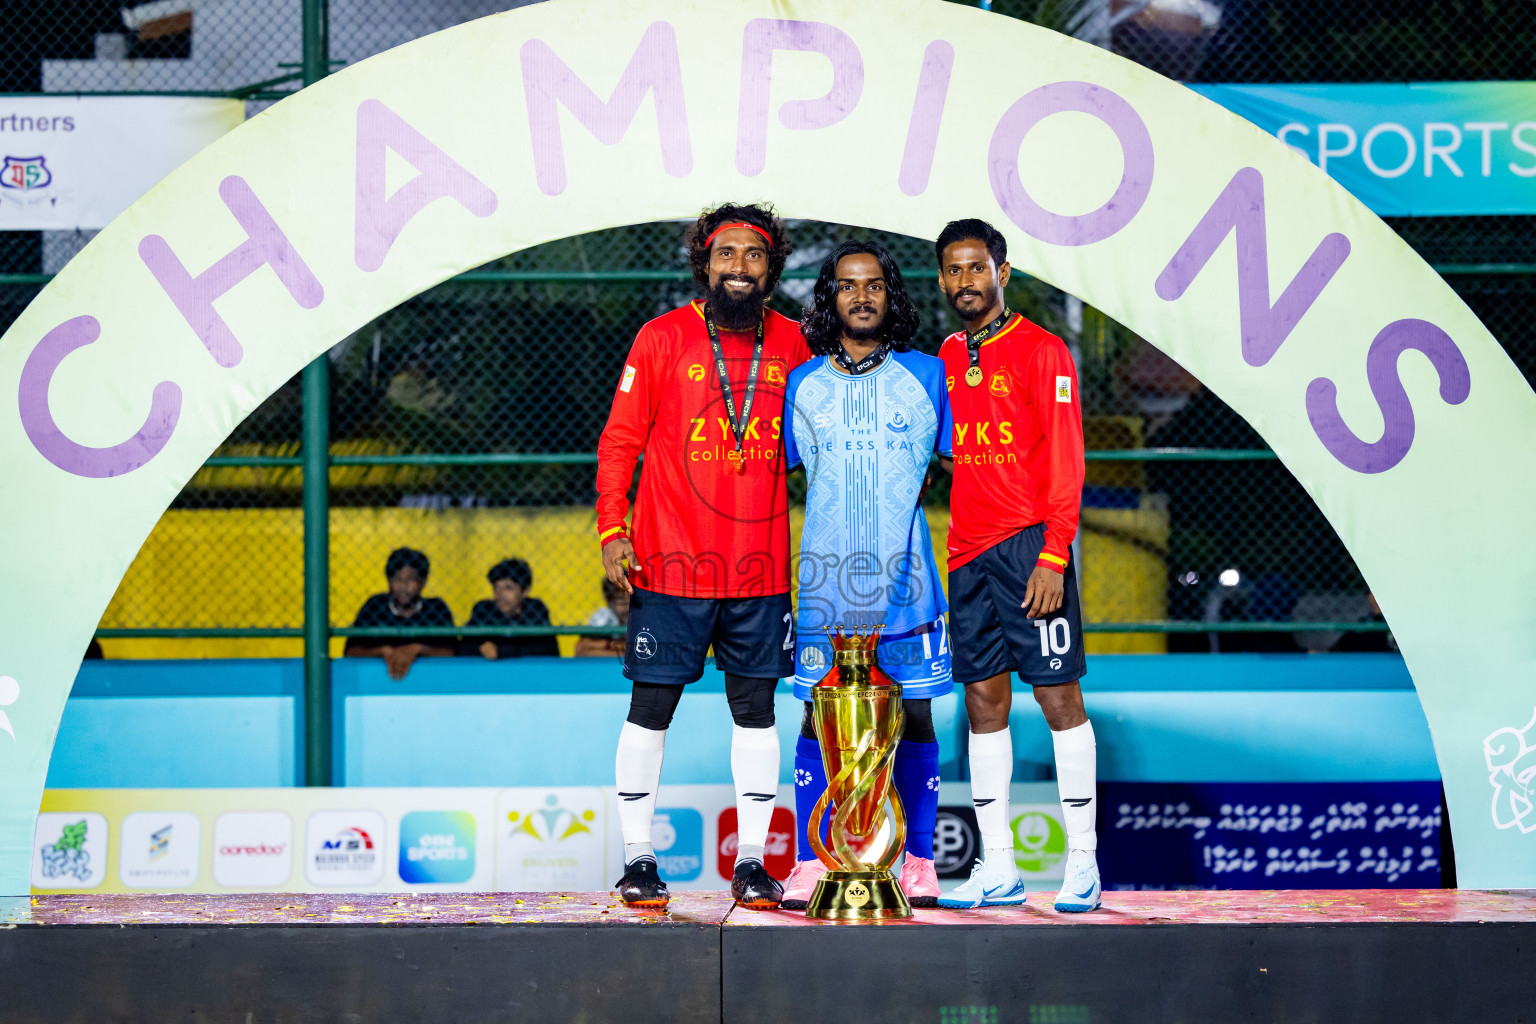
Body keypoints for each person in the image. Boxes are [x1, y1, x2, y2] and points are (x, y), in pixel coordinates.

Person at [595, 203, 811, 910]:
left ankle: (752, 862)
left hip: (758, 566)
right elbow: (620, 441)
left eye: (754, 255)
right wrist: (611, 530)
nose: (739, 267)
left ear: (771, 267)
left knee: (756, 711)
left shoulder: (796, 342)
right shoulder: (660, 338)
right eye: (727, 255)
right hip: (671, 562)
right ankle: (638, 859)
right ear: (705, 263)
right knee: (650, 706)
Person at [777, 240, 954, 910]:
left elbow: (957, 467)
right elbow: (782, 479)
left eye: (874, 285)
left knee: (915, 713)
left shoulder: (928, 375)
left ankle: (919, 861)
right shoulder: (803, 383)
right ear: (830, 297)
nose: (861, 296)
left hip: (907, 585)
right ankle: (806, 859)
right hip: (825, 584)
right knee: (813, 718)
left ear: (890, 295)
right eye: (848, 286)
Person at [932, 219, 1101, 912]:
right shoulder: (945, 353)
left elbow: (1067, 458)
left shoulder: (1044, 350)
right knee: (981, 705)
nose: (965, 281)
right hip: (967, 552)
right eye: (953, 270)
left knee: (1059, 699)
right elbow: (945, 450)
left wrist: (1055, 554)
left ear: (1003, 273)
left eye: (977, 268)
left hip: (1033, 549)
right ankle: (998, 866)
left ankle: (1084, 865)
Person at [344, 547, 456, 681]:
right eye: (397, 579)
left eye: (410, 579)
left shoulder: (436, 608)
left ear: (423, 582)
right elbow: (351, 651)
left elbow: (452, 652)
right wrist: (383, 651)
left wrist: (417, 649)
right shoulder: (375, 606)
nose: (403, 585)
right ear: (389, 580)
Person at [462, 558, 560, 659]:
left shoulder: (535, 610)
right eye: (496, 588)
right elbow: (465, 648)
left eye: (508, 588)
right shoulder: (484, 610)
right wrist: (483, 646)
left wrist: (500, 651)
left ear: (525, 591)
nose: (500, 595)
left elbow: (547, 651)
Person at [573, 577, 630, 657]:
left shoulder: (643, 617)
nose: (627, 606)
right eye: (621, 599)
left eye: (631, 599)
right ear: (609, 601)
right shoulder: (603, 618)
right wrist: (611, 645)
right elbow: (581, 650)